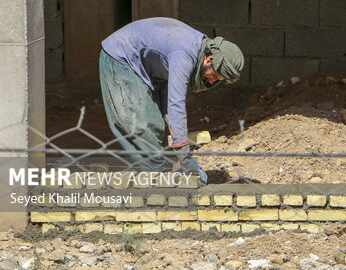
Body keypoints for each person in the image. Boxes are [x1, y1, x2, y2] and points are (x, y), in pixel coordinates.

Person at [99, 17, 244, 184]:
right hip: (121, 58)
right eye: (213, 76)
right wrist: (184, 156)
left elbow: (170, 106)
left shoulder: (198, 49)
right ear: (209, 59)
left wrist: (176, 136)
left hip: (151, 69)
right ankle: (153, 185)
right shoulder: (184, 55)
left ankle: (154, 176)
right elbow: (176, 104)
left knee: (157, 126)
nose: (211, 82)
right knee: (143, 127)